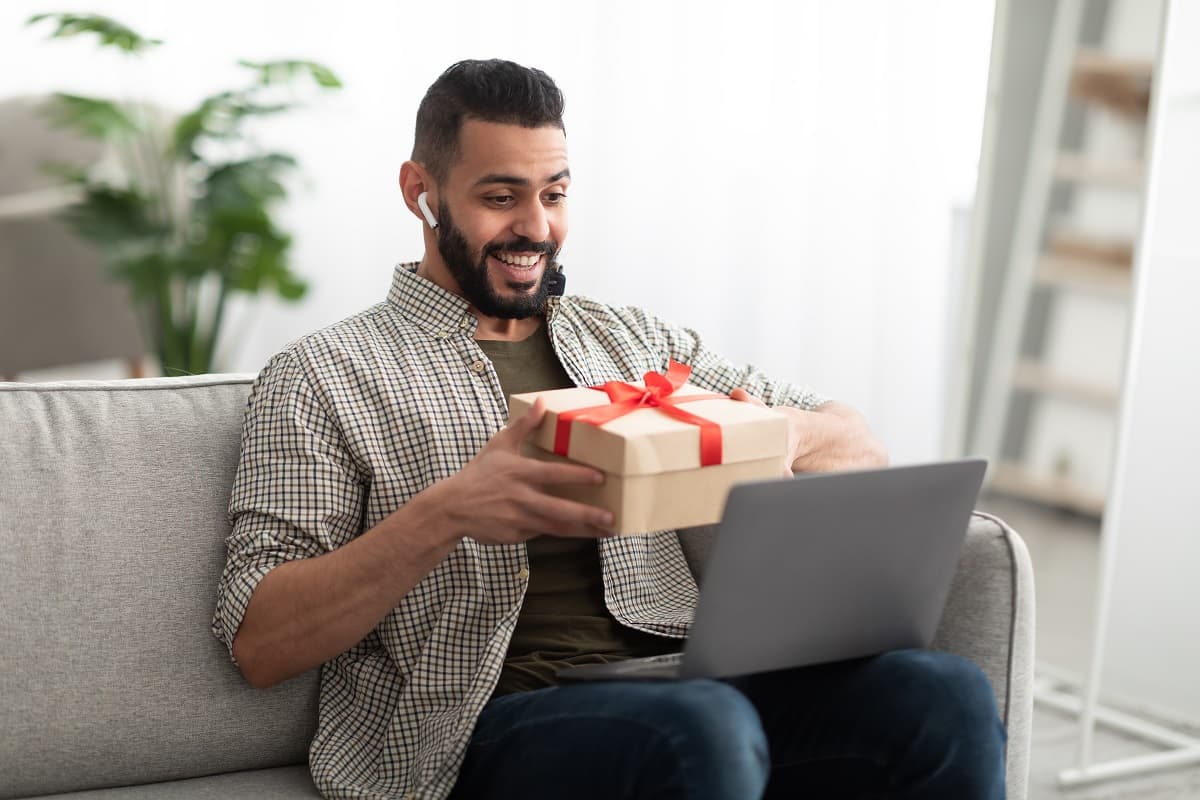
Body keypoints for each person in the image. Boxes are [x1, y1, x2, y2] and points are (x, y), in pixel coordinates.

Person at [212, 59, 1006, 800]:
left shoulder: (634, 344)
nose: (536, 227)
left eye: (554, 194)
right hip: (479, 723)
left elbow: (854, 441)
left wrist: (747, 433)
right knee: (702, 728)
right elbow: (261, 641)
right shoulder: (324, 374)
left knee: (943, 692)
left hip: (677, 678)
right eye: (500, 198)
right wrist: (448, 511)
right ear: (420, 191)